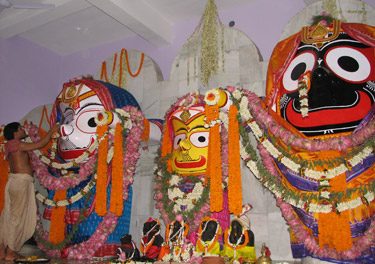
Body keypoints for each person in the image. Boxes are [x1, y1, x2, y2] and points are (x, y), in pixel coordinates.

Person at [0, 122, 59, 261]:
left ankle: (2, 250)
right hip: (21, 182)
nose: (23, 130)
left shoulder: (9, 145)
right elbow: (40, 144)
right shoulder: (18, 144)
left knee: (8, 216)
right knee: (17, 218)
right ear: (15, 133)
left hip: (13, 182)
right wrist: (52, 131)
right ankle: (11, 252)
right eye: (20, 129)